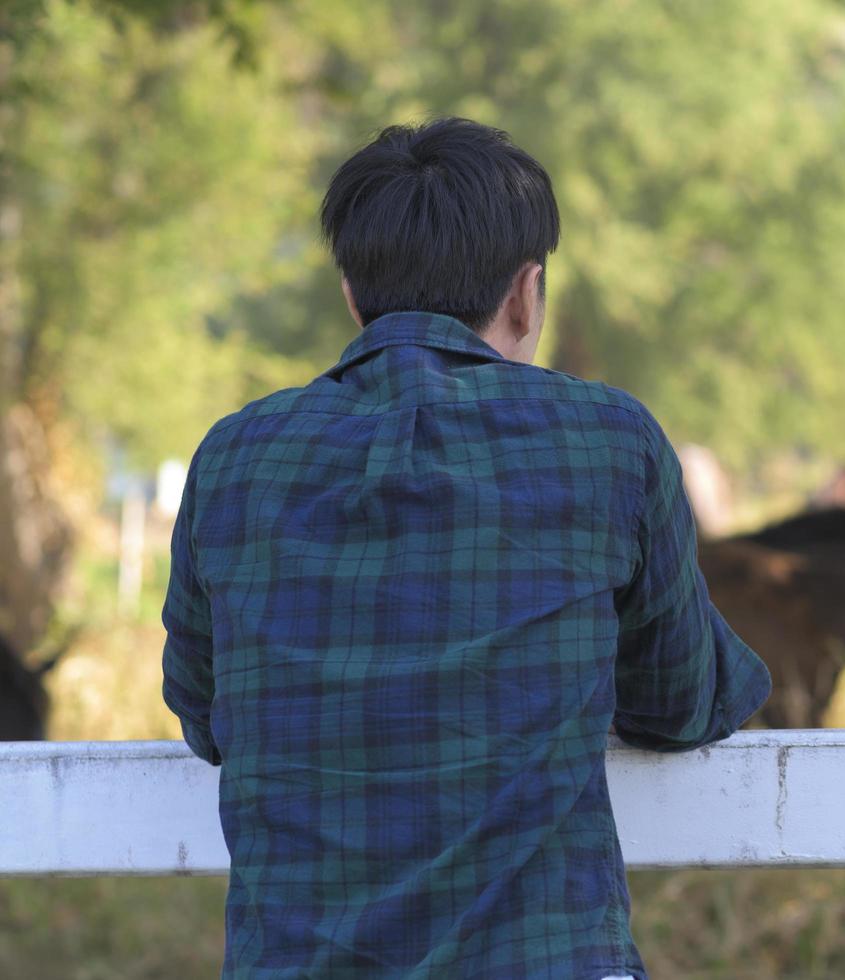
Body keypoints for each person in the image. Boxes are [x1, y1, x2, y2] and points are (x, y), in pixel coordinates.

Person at [161, 117, 771, 980]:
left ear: (351, 293)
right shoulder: (605, 441)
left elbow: (202, 708)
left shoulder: (236, 455)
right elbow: (683, 699)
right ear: (527, 295)